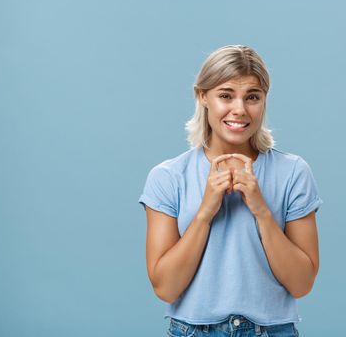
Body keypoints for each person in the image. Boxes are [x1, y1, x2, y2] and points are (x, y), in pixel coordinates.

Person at [138, 45, 323, 337]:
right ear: (203, 97)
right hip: (193, 331)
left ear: (264, 101)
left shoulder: (293, 172)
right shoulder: (168, 177)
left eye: (252, 97)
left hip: (271, 331)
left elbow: (302, 284)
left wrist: (261, 209)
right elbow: (165, 287)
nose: (239, 109)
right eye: (225, 95)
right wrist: (205, 212)